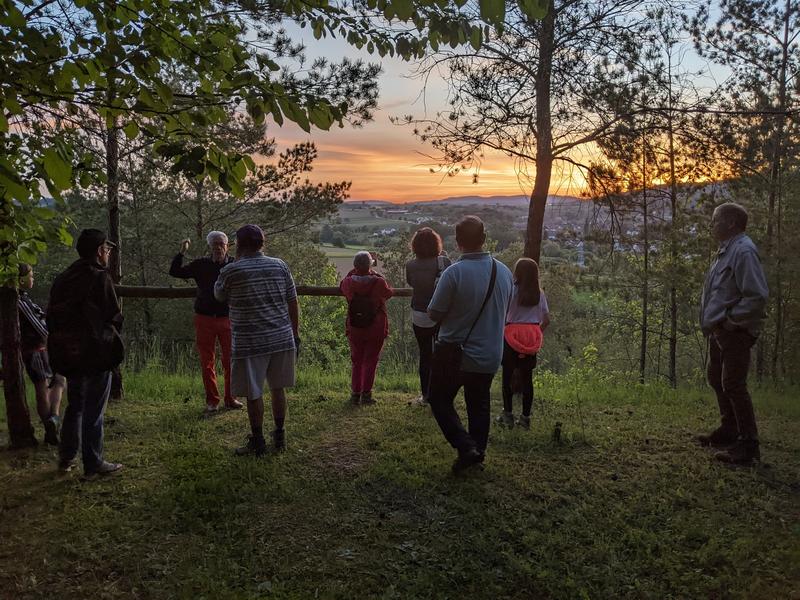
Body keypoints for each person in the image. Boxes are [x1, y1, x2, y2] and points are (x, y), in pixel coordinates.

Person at [427, 216, 513, 473]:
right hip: (489, 354)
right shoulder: (504, 272)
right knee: (480, 404)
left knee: (439, 399)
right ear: (484, 240)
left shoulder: (454, 273)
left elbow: (434, 313)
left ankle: (466, 447)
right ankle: (478, 453)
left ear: (458, 241)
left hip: (454, 352)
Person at [214, 225, 299, 456]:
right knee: (278, 388)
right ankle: (279, 435)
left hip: (250, 342)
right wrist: (295, 334)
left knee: (254, 393)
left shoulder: (231, 271)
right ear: (262, 243)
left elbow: (219, 295)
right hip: (282, 337)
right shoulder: (280, 265)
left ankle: (258, 441)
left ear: (239, 245)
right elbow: (292, 301)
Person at [47, 229, 124, 476]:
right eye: (108, 250)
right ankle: (93, 463)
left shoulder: (64, 278)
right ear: (99, 251)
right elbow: (113, 314)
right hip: (95, 353)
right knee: (94, 409)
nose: (109, 254)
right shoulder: (99, 277)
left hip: (68, 352)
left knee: (75, 405)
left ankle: (66, 457)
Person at [698, 202, 768, 464]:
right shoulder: (727, 251)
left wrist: (730, 321)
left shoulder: (744, 252)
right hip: (719, 330)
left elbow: (757, 296)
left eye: (715, 220)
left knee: (734, 384)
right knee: (716, 378)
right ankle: (729, 430)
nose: (711, 224)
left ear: (730, 223)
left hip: (734, 332)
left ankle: (749, 445)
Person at [169, 231, 241, 413]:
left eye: (221, 244)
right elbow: (175, 271)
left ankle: (231, 398)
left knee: (230, 360)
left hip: (228, 319)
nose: (217, 247)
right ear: (210, 247)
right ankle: (212, 401)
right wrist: (182, 252)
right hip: (204, 319)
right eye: (214, 244)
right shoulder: (201, 264)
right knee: (207, 361)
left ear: (227, 246)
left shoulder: (235, 265)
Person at [495, 258, 550, 430]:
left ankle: (508, 414)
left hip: (511, 335)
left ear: (517, 272)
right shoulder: (539, 294)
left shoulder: (512, 291)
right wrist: (536, 334)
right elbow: (546, 320)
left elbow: (502, 314)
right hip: (531, 335)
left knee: (507, 376)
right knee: (527, 379)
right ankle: (525, 418)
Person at [17, 264, 66, 445]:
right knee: (42, 386)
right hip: (34, 350)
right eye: (31, 276)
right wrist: (54, 337)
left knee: (58, 380)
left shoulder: (24, 298)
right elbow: (39, 328)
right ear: (21, 279)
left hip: (39, 349)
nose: (33, 279)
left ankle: (53, 420)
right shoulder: (20, 301)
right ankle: (50, 426)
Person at [340, 251, 394, 405]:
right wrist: (374, 273)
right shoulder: (378, 282)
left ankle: (355, 394)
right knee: (370, 360)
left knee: (356, 360)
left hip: (355, 327)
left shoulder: (349, 282)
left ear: (354, 266)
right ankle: (366, 394)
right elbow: (389, 292)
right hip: (376, 326)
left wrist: (355, 271)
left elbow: (342, 284)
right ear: (371, 264)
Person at [406, 228, 451, 406]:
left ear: (415, 245)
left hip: (419, 314)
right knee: (442, 355)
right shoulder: (445, 262)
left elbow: (411, 283)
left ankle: (426, 396)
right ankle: (442, 393)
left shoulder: (410, 265)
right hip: (441, 314)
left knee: (425, 355)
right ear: (436, 244)